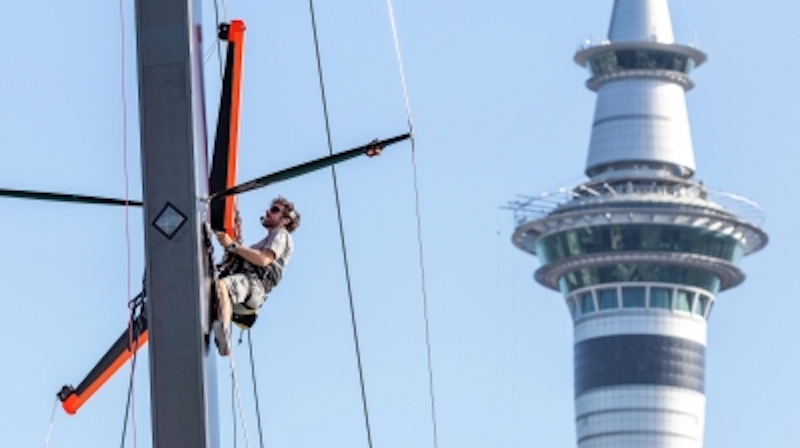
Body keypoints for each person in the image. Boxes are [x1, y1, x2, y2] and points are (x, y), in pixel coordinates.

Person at [213, 196, 300, 356]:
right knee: (212, 290)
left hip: (252, 286)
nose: (268, 212)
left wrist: (233, 245)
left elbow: (263, 259)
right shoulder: (265, 241)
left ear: (286, 220)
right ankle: (220, 323)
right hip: (248, 294)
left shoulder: (281, 235)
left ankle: (224, 335)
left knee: (221, 286)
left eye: (275, 210)